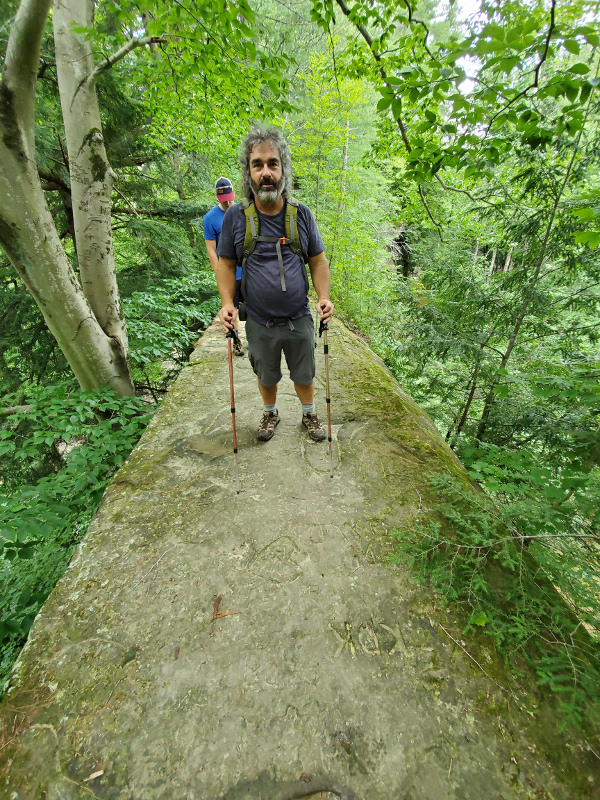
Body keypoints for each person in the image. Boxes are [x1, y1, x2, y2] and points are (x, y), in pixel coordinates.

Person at [216, 126, 334, 442]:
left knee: (304, 373)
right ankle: (271, 412)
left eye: (273, 163)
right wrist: (228, 302)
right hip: (258, 319)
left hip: (298, 317)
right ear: (249, 172)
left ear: (283, 169)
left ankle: (309, 413)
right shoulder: (235, 217)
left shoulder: (302, 216)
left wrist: (323, 296)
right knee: (265, 375)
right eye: (258, 164)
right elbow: (226, 263)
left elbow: (318, 260)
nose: (266, 172)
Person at [203, 177, 244, 356]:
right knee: (231, 309)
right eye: (223, 199)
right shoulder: (210, 219)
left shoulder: (243, 212)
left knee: (253, 306)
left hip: (248, 270)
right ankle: (236, 341)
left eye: (230, 197)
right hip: (229, 273)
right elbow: (212, 251)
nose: (228, 202)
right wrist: (219, 273)